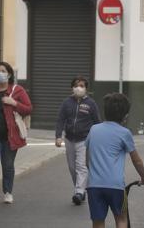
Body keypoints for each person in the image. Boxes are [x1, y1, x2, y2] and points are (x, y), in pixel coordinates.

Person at [85, 93, 144, 228]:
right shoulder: (124, 133)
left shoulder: (93, 129)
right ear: (125, 116)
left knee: (98, 222)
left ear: (105, 112)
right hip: (116, 187)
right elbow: (136, 160)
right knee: (121, 219)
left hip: (94, 186)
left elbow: (87, 161)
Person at [0, 61, 33, 205]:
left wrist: (14, 103)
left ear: (9, 74)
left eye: (3, 71)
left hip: (11, 136)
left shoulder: (18, 90)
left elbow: (28, 109)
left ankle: (8, 192)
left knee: (8, 165)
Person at [55, 76, 101, 205]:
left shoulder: (91, 104)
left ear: (86, 89)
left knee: (81, 166)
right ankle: (80, 190)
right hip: (69, 139)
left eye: (81, 86)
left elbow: (97, 122)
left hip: (84, 140)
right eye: (76, 85)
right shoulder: (67, 102)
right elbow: (60, 120)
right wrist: (58, 136)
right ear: (72, 88)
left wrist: (97, 138)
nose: (78, 88)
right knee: (72, 167)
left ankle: (79, 192)